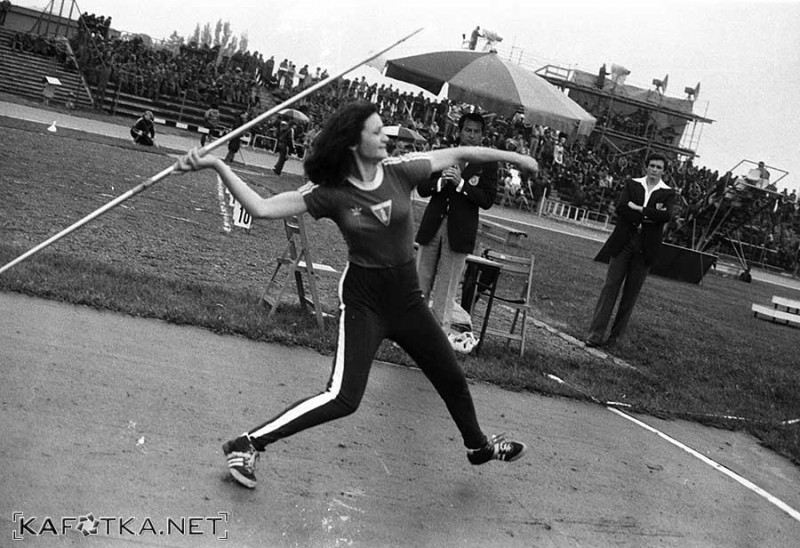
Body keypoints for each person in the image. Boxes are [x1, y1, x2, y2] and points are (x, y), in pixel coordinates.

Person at [174, 100, 537, 489]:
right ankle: (247, 443)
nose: (386, 138)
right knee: (343, 398)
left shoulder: (401, 171)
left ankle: (478, 447)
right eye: (377, 132)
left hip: (408, 301)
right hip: (366, 303)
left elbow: (462, 152)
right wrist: (218, 165)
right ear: (353, 143)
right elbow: (262, 208)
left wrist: (514, 158)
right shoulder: (331, 192)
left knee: (450, 375)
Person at [415, 113, 504, 330]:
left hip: (460, 231)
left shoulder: (488, 162)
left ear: (482, 135)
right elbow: (422, 188)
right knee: (420, 282)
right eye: (468, 130)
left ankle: (439, 336)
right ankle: (411, 333)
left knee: (446, 289)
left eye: (476, 132)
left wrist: (461, 184)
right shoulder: (444, 154)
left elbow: (487, 200)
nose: (471, 135)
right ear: (460, 131)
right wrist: (441, 182)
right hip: (433, 225)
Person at [586, 152, 677, 348]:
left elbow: (666, 216)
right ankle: (595, 335)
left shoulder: (667, 192)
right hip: (625, 241)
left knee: (630, 294)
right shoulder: (632, 184)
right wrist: (649, 216)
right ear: (646, 166)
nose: (654, 170)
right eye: (652, 165)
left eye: (659, 167)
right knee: (610, 287)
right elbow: (621, 208)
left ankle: (615, 339)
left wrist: (639, 209)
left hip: (646, 247)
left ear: (664, 171)